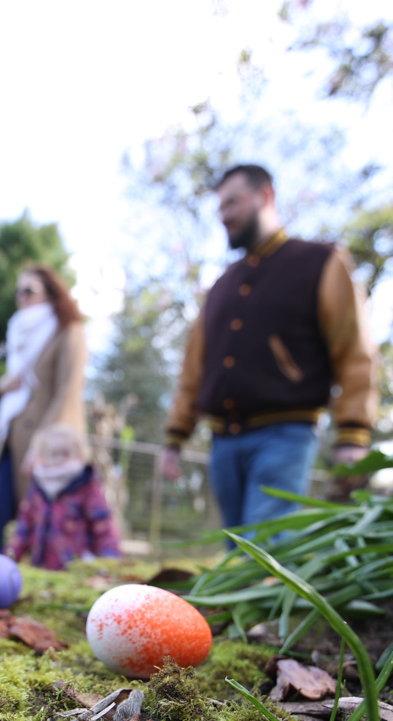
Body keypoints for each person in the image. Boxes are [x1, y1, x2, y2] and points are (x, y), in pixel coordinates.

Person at [162, 164, 378, 533]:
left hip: (285, 435)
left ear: (265, 196)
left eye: (232, 203)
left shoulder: (320, 262)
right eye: (220, 207)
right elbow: (193, 369)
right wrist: (175, 437)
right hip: (223, 442)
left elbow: (354, 349)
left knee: (267, 544)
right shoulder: (221, 287)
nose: (223, 215)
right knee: (238, 547)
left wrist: (353, 432)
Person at [0, 264, 87, 552]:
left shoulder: (67, 330)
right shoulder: (18, 332)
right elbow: (16, 382)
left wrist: (42, 445)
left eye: (29, 290)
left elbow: (68, 390)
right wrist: (2, 386)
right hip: (13, 435)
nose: (21, 297)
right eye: (18, 291)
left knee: (51, 523)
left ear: (50, 293)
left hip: (50, 443)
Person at [8, 423, 121, 569]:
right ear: (44, 456)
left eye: (66, 453)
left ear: (78, 453)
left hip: (79, 568)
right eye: (54, 454)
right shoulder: (38, 485)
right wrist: (8, 559)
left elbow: (102, 526)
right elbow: (23, 528)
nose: (59, 459)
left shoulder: (86, 483)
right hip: (41, 567)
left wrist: (111, 563)